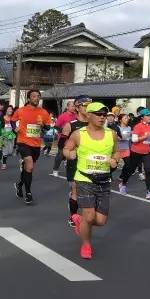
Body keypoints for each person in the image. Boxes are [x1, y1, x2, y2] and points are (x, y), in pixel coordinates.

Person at [62, 102, 120, 259]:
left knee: (100, 221)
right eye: (99, 114)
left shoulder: (111, 134)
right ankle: (86, 245)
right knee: (89, 216)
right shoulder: (78, 134)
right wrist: (70, 154)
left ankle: (80, 222)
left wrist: (115, 160)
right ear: (89, 115)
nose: (102, 117)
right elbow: (66, 148)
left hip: (104, 181)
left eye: (104, 115)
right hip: (84, 179)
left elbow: (116, 152)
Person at [12, 89, 51, 204]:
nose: (37, 98)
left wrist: (43, 125)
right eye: (34, 96)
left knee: (28, 168)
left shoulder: (43, 112)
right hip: (23, 141)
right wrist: (15, 129)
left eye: (38, 96)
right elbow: (13, 120)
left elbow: (48, 127)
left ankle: (19, 185)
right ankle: (28, 193)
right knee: (29, 165)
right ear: (29, 98)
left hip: (36, 144)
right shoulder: (21, 110)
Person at [61, 95, 91, 228]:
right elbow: (62, 144)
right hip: (75, 162)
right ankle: (73, 216)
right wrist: (69, 153)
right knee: (75, 190)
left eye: (90, 105)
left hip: (90, 163)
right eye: (85, 105)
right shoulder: (71, 125)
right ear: (78, 107)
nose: (88, 108)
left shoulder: (95, 125)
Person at [118, 108, 150, 199]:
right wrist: (145, 136)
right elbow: (134, 140)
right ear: (142, 117)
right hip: (136, 152)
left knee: (148, 170)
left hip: (147, 152)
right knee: (131, 169)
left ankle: (149, 192)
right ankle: (123, 184)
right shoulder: (138, 126)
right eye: (148, 115)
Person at [53, 101, 77, 176]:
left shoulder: (76, 116)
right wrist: (63, 131)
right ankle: (55, 169)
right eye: (72, 106)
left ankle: (69, 166)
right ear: (67, 107)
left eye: (74, 106)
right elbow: (56, 126)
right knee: (60, 154)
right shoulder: (63, 116)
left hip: (73, 139)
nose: (73, 108)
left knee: (73, 154)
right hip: (63, 138)